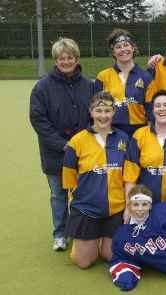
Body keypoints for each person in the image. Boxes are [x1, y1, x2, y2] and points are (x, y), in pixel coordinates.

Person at [29, 37, 93, 251]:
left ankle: (78, 231)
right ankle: (59, 233)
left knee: (82, 193)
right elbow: (38, 119)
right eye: (61, 58)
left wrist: (85, 143)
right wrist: (62, 144)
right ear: (55, 60)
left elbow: (96, 116)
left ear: (77, 59)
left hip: (84, 153)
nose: (66, 61)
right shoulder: (42, 87)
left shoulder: (89, 85)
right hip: (55, 153)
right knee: (58, 194)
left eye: (70, 57)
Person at [62, 91, 130, 269]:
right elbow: (69, 179)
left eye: (108, 110)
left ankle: (102, 240)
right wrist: (74, 204)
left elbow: (130, 175)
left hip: (116, 209)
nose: (103, 115)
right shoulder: (76, 141)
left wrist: (128, 206)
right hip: (87, 209)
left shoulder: (124, 139)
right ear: (91, 112)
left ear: (114, 112)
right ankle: (88, 240)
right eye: (98, 110)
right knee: (84, 262)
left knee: (110, 255)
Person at [124, 91, 166, 203]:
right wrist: (129, 206)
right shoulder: (139, 135)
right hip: (143, 206)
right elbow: (130, 177)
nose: (162, 109)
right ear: (153, 110)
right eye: (157, 106)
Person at [95, 28, 152, 137]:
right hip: (111, 131)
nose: (123, 49)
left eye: (126, 45)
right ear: (113, 52)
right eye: (118, 47)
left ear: (133, 48)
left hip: (139, 132)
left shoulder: (146, 77)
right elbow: (95, 110)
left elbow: (150, 110)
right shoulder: (103, 76)